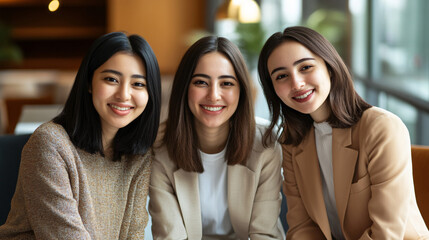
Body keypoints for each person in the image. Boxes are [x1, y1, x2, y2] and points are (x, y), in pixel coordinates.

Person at [257, 26, 429, 240]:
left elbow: (386, 233)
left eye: (305, 67)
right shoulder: (292, 142)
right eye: (281, 76)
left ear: (329, 67)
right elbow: (302, 226)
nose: (296, 83)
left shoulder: (382, 128)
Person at [0, 32, 161, 239]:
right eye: (111, 79)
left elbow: (134, 235)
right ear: (88, 83)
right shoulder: (50, 144)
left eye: (138, 84)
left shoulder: (139, 156)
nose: (124, 94)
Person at [149, 36, 284, 239]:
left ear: (242, 92)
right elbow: (170, 235)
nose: (213, 95)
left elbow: (264, 234)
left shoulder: (265, 144)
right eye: (201, 82)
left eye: (226, 83)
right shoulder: (158, 146)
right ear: (185, 88)